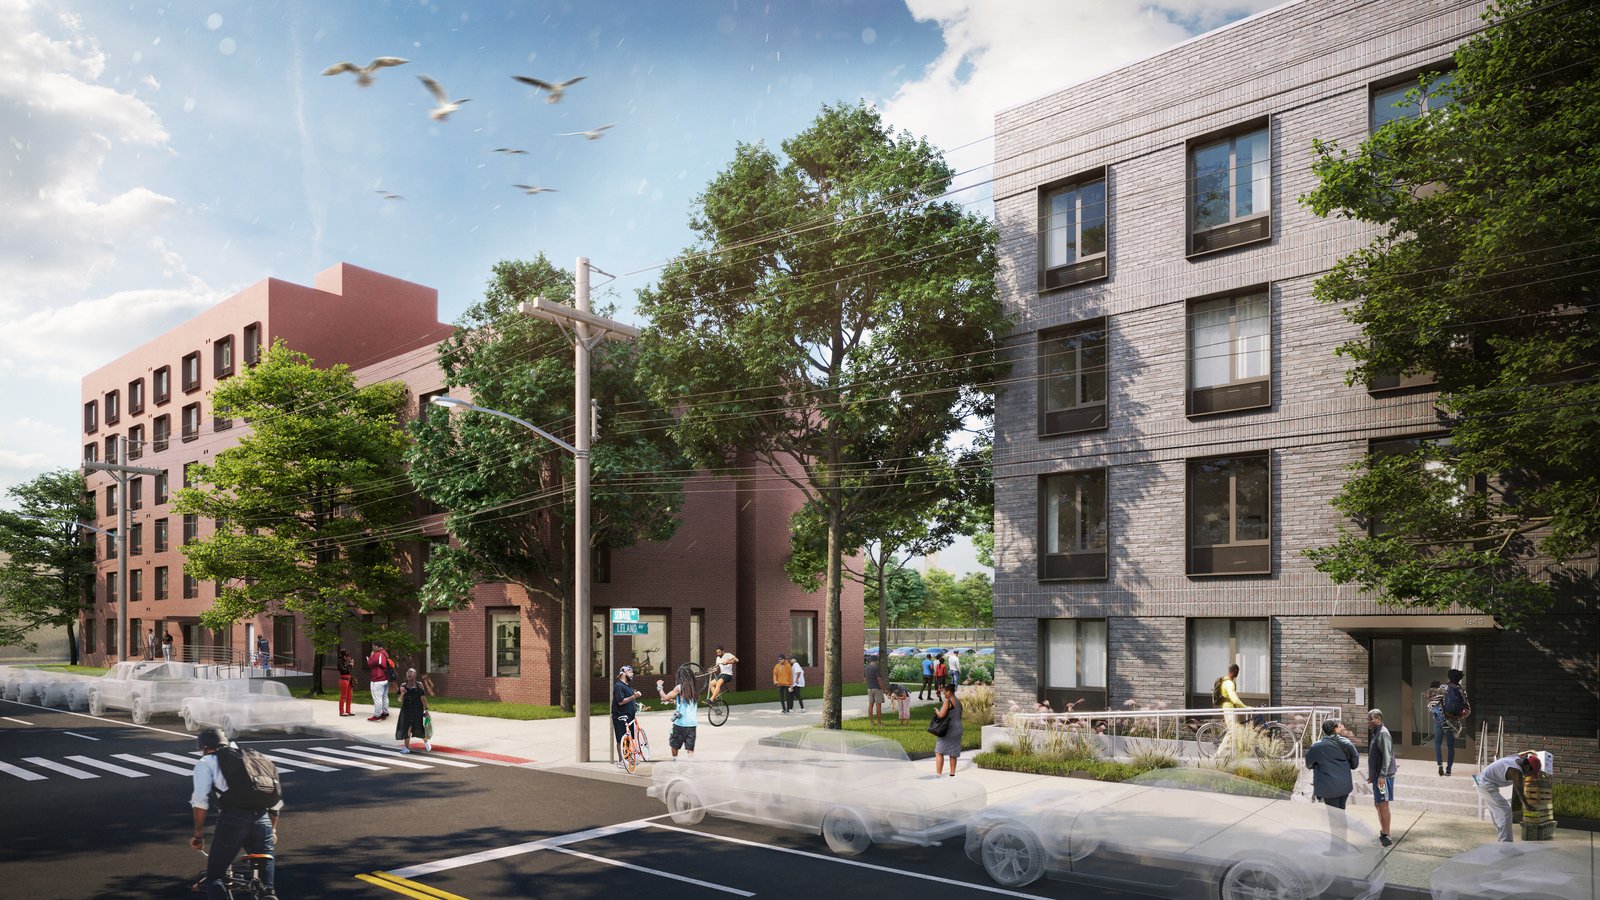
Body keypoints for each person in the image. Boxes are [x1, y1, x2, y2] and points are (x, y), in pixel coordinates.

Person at [188, 727, 280, 900]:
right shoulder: (253, 759)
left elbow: (200, 801)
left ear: (204, 747)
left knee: (215, 876)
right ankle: (268, 893)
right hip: (263, 820)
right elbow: (276, 803)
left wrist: (198, 834)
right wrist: (273, 830)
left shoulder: (207, 761)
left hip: (233, 820)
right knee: (267, 889)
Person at [1475, 751, 1542, 842]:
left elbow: (1520, 754)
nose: (1529, 775)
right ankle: (1506, 844)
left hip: (1484, 782)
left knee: (1498, 814)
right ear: (1526, 767)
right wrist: (1527, 806)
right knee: (1505, 811)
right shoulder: (1516, 772)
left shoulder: (1516, 758)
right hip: (1485, 784)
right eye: (1531, 773)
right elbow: (1520, 794)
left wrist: (1529, 751)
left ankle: (1503, 840)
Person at [1305, 719, 1361, 810]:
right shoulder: (1347, 743)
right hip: (1344, 786)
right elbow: (1354, 765)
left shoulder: (1316, 747)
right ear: (1335, 729)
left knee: (1333, 816)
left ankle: (1339, 824)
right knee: (1341, 812)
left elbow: (1308, 765)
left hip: (1328, 789)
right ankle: (1342, 824)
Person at [1367, 708, 1397, 847]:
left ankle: (1387, 835)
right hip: (1378, 776)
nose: (1369, 722)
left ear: (1378, 719)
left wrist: (1382, 775)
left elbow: (1387, 756)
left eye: (1371, 719)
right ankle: (1383, 831)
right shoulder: (1376, 732)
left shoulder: (1383, 734)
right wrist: (1372, 775)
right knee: (1378, 803)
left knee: (1383, 805)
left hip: (1383, 777)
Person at [1431, 669, 1470, 776]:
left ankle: (1440, 765)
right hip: (1453, 723)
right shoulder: (1462, 691)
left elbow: (1433, 704)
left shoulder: (1443, 687)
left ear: (1449, 677)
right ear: (1459, 678)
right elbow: (1467, 710)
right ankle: (1448, 770)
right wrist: (1458, 716)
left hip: (1439, 720)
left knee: (1438, 743)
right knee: (1450, 746)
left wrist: (1437, 711)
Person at [657, 669, 698, 759]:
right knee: (690, 748)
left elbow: (664, 698)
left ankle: (675, 761)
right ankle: (691, 764)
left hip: (681, 723)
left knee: (674, 744)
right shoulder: (693, 687)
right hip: (692, 723)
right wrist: (676, 702)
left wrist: (659, 686)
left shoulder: (679, 687)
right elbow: (687, 703)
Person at [611, 665, 642, 767]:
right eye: (630, 672)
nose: (632, 674)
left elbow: (629, 699)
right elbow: (620, 702)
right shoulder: (618, 686)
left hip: (629, 716)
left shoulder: (626, 685)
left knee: (628, 738)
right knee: (621, 739)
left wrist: (635, 703)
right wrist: (634, 696)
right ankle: (621, 761)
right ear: (623, 673)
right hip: (620, 717)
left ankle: (628, 758)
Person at [394, 667, 431, 753]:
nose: (409, 674)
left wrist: (426, 710)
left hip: (417, 709)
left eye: (411, 672)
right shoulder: (403, 685)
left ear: (415, 675)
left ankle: (426, 741)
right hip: (405, 710)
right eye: (407, 672)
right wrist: (402, 693)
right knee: (407, 728)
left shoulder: (419, 685)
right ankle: (406, 748)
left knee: (418, 727)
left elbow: (423, 698)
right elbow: (399, 699)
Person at [1216, 664, 1248, 755]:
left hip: (1230, 709)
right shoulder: (1229, 683)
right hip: (1229, 710)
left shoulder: (1225, 681)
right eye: (1238, 671)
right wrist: (1246, 707)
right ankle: (1218, 755)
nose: (1238, 673)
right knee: (1232, 732)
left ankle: (1234, 753)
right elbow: (1234, 699)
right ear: (1234, 671)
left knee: (1236, 731)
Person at [933, 683, 963, 777]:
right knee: (953, 751)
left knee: (939, 751)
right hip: (958, 728)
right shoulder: (958, 702)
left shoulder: (947, 701)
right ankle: (952, 773)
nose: (944, 695)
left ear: (949, 692)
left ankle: (938, 774)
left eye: (944, 692)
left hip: (948, 729)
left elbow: (941, 715)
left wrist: (937, 711)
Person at [366, 643, 392, 721]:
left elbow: (370, 664)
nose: (373, 648)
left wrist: (370, 656)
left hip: (377, 679)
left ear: (377, 646)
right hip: (386, 678)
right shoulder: (385, 653)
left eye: (373, 646)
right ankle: (385, 712)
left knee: (377, 698)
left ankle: (377, 716)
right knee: (385, 696)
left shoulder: (377, 654)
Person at [864, 653, 886, 726]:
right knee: (878, 706)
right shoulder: (876, 668)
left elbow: (865, 679)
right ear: (875, 661)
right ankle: (879, 723)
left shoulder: (866, 668)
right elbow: (879, 679)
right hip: (877, 689)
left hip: (869, 688)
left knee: (870, 705)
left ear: (870, 661)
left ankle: (871, 722)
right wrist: (884, 689)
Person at [336, 648, 356, 717]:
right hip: (343, 680)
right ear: (343, 656)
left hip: (348, 680)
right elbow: (343, 671)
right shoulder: (339, 662)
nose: (348, 658)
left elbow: (349, 670)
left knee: (349, 696)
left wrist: (351, 665)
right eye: (347, 656)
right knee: (343, 696)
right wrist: (350, 665)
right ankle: (341, 712)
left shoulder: (346, 662)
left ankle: (348, 710)